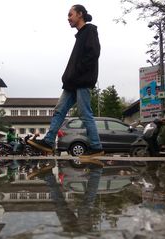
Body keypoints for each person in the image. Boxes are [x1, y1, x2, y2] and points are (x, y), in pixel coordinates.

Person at [28, 4, 104, 157]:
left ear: (80, 14)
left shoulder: (89, 31)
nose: (68, 18)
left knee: (85, 113)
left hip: (81, 81)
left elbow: (94, 53)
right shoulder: (80, 35)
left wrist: (78, 72)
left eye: (70, 14)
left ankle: (96, 147)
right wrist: (70, 75)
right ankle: (49, 142)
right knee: (59, 110)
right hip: (71, 82)